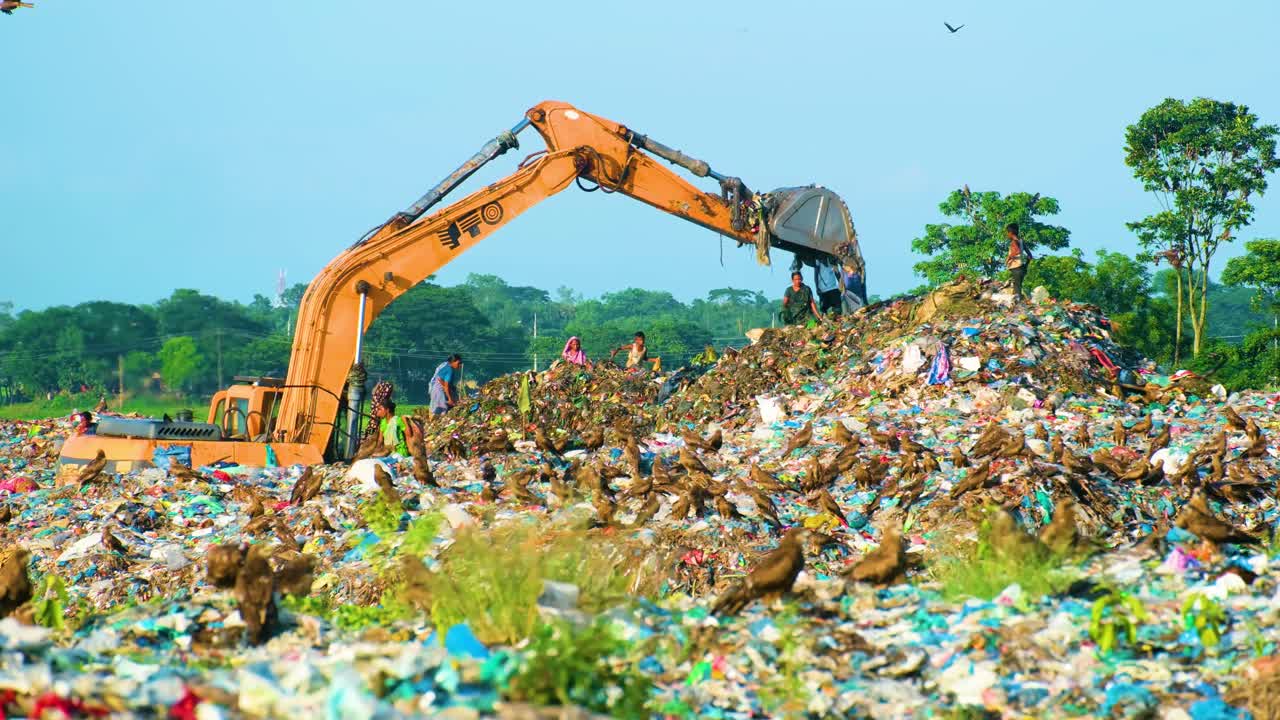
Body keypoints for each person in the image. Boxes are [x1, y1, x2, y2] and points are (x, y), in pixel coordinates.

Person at [363, 380, 420, 455]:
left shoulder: (397, 420)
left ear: (387, 410)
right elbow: (380, 440)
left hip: (399, 453)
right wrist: (375, 451)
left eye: (380, 410)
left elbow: (409, 434)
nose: (378, 412)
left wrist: (404, 419)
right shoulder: (383, 421)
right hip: (388, 452)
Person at [1005, 222, 1032, 302]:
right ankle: (1018, 303)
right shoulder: (1021, 241)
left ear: (1010, 233)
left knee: (1017, 288)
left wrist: (1008, 258)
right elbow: (1030, 255)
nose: (1007, 235)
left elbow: (1017, 250)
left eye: (1007, 233)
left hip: (1016, 268)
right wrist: (1026, 265)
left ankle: (1019, 305)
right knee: (1017, 286)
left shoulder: (1014, 242)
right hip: (1022, 268)